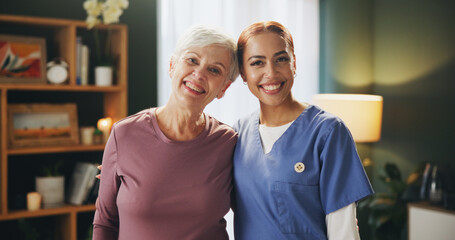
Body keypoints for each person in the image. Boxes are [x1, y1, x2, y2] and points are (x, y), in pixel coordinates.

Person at [92, 25, 239, 240]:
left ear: (224, 88)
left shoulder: (229, 142)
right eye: (192, 60)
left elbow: (257, 209)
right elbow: (105, 223)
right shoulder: (124, 134)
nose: (198, 74)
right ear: (172, 66)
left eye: (214, 70)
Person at [232, 21, 373, 240]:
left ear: (294, 63)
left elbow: (343, 230)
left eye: (281, 59)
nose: (271, 72)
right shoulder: (237, 134)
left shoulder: (328, 132)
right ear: (243, 72)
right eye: (257, 63)